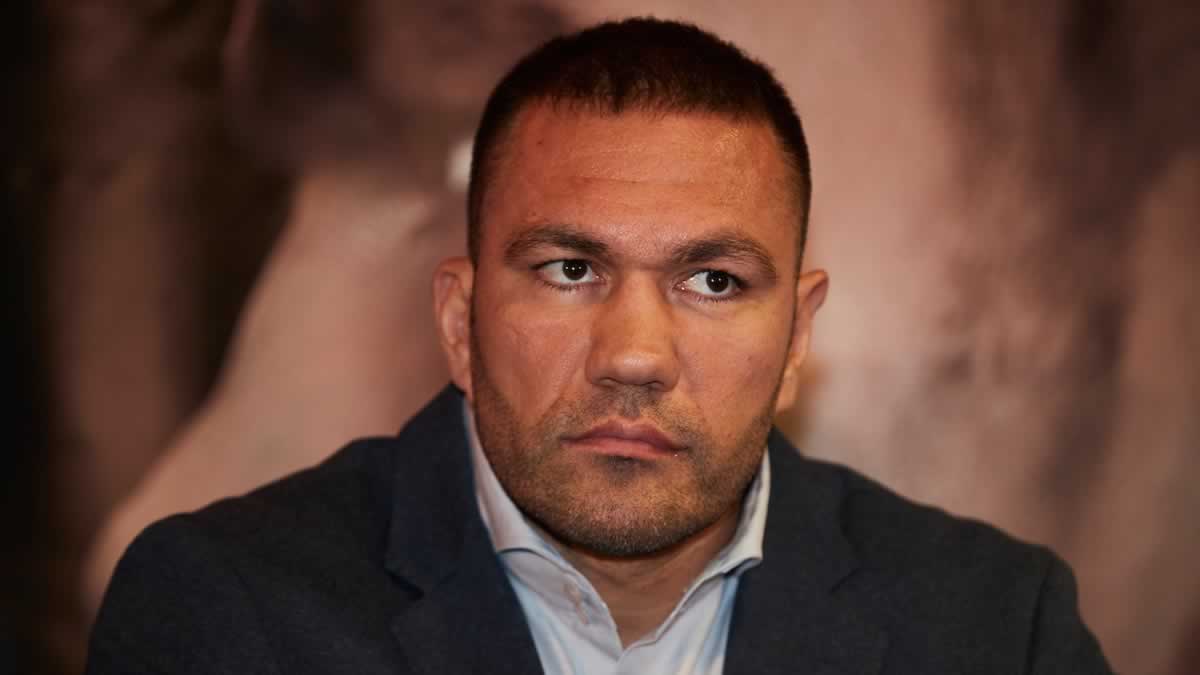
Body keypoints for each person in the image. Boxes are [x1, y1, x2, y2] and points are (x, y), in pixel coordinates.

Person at [85, 17, 1113, 674]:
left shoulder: (999, 629)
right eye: (571, 270)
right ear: (459, 320)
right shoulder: (227, 616)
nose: (634, 354)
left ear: (798, 335)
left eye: (714, 281)